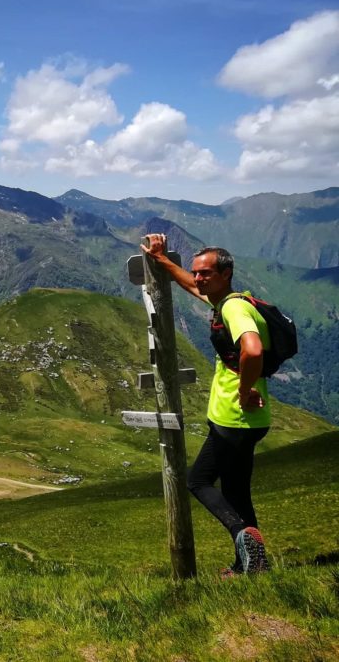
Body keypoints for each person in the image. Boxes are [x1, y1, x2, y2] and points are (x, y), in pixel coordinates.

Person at [141, 234, 271, 575]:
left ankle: (240, 532)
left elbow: (253, 349)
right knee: (236, 491)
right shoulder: (229, 300)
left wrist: (243, 390)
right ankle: (251, 566)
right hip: (251, 420)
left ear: (226, 273)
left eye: (206, 273)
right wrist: (165, 262)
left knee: (198, 481)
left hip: (234, 418)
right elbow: (193, 289)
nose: (198, 278)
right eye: (196, 272)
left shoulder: (233, 308)